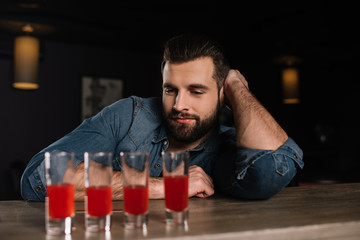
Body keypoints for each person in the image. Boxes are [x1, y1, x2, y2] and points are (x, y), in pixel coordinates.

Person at [20, 33, 304, 202]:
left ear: (221, 96)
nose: (179, 104)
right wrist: (169, 186)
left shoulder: (228, 145)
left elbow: (269, 173)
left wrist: (237, 86)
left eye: (196, 91)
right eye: (171, 89)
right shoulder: (128, 115)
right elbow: (38, 178)